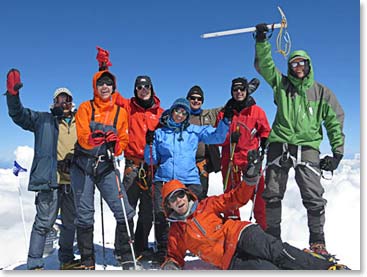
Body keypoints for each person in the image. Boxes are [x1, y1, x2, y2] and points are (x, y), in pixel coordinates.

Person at [159, 150, 349, 270]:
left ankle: (328, 268)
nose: (178, 201)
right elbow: (174, 256)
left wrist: (250, 177)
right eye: (172, 200)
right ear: (169, 206)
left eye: (180, 195)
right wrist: (171, 266)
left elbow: (236, 198)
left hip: (241, 235)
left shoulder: (206, 205)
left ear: (187, 194)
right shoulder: (177, 232)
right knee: (268, 270)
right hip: (229, 261)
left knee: (277, 252)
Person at [254, 23, 345, 255]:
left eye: (301, 63)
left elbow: (334, 120)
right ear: (290, 66)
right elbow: (264, 66)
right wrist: (262, 41)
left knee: (313, 196)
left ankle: (318, 242)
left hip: (307, 147)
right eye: (294, 63)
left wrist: (338, 153)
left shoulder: (321, 92)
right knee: (272, 194)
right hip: (279, 144)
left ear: (308, 65)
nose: (298, 67)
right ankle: (272, 239)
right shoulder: (281, 85)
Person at [6, 69, 79, 270]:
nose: (63, 103)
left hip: (73, 180)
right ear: (53, 103)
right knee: (44, 223)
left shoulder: (80, 122)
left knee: (70, 223)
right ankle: (35, 265)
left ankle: (66, 259)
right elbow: (18, 114)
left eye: (67, 99)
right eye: (59, 99)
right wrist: (13, 95)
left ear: (72, 103)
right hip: (49, 180)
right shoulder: (43, 120)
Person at [144, 97, 231, 264]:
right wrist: (149, 143)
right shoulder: (161, 133)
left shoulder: (194, 130)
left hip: (189, 180)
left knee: (195, 213)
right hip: (164, 179)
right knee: (162, 215)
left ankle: (197, 242)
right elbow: (151, 160)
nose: (180, 114)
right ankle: (164, 251)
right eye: (178, 110)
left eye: (184, 112)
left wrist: (225, 120)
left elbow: (218, 138)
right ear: (172, 111)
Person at [71, 69, 135, 269]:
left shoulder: (121, 112)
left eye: (108, 84)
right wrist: (92, 138)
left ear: (114, 88)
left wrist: (116, 145)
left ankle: (125, 253)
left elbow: (123, 141)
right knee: (84, 213)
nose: (104, 87)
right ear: (95, 87)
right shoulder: (84, 108)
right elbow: (82, 134)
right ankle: (87, 260)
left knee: (124, 211)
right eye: (101, 84)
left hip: (106, 165)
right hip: (83, 165)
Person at [115, 75, 164, 258]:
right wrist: (104, 70)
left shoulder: (160, 113)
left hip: (153, 167)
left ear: (152, 88)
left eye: (147, 86)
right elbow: (112, 95)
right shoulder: (128, 107)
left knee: (147, 211)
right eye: (139, 87)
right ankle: (123, 249)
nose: (143, 90)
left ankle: (141, 247)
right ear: (135, 90)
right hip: (133, 166)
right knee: (127, 209)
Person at [217, 77, 270, 230]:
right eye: (235, 89)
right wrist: (229, 138)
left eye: (242, 89)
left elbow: (265, 130)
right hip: (230, 157)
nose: (239, 92)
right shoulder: (225, 113)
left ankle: (263, 227)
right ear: (231, 91)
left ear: (246, 91)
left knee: (259, 193)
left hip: (250, 158)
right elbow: (218, 137)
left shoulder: (256, 111)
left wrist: (265, 140)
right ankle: (233, 228)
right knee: (230, 193)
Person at [186, 85, 222, 200]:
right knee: (185, 195)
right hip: (184, 162)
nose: (196, 101)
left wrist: (245, 92)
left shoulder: (208, 115)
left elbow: (228, 108)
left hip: (202, 163)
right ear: (188, 99)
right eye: (193, 98)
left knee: (201, 193)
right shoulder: (181, 114)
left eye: (199, 98)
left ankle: (200, 217)